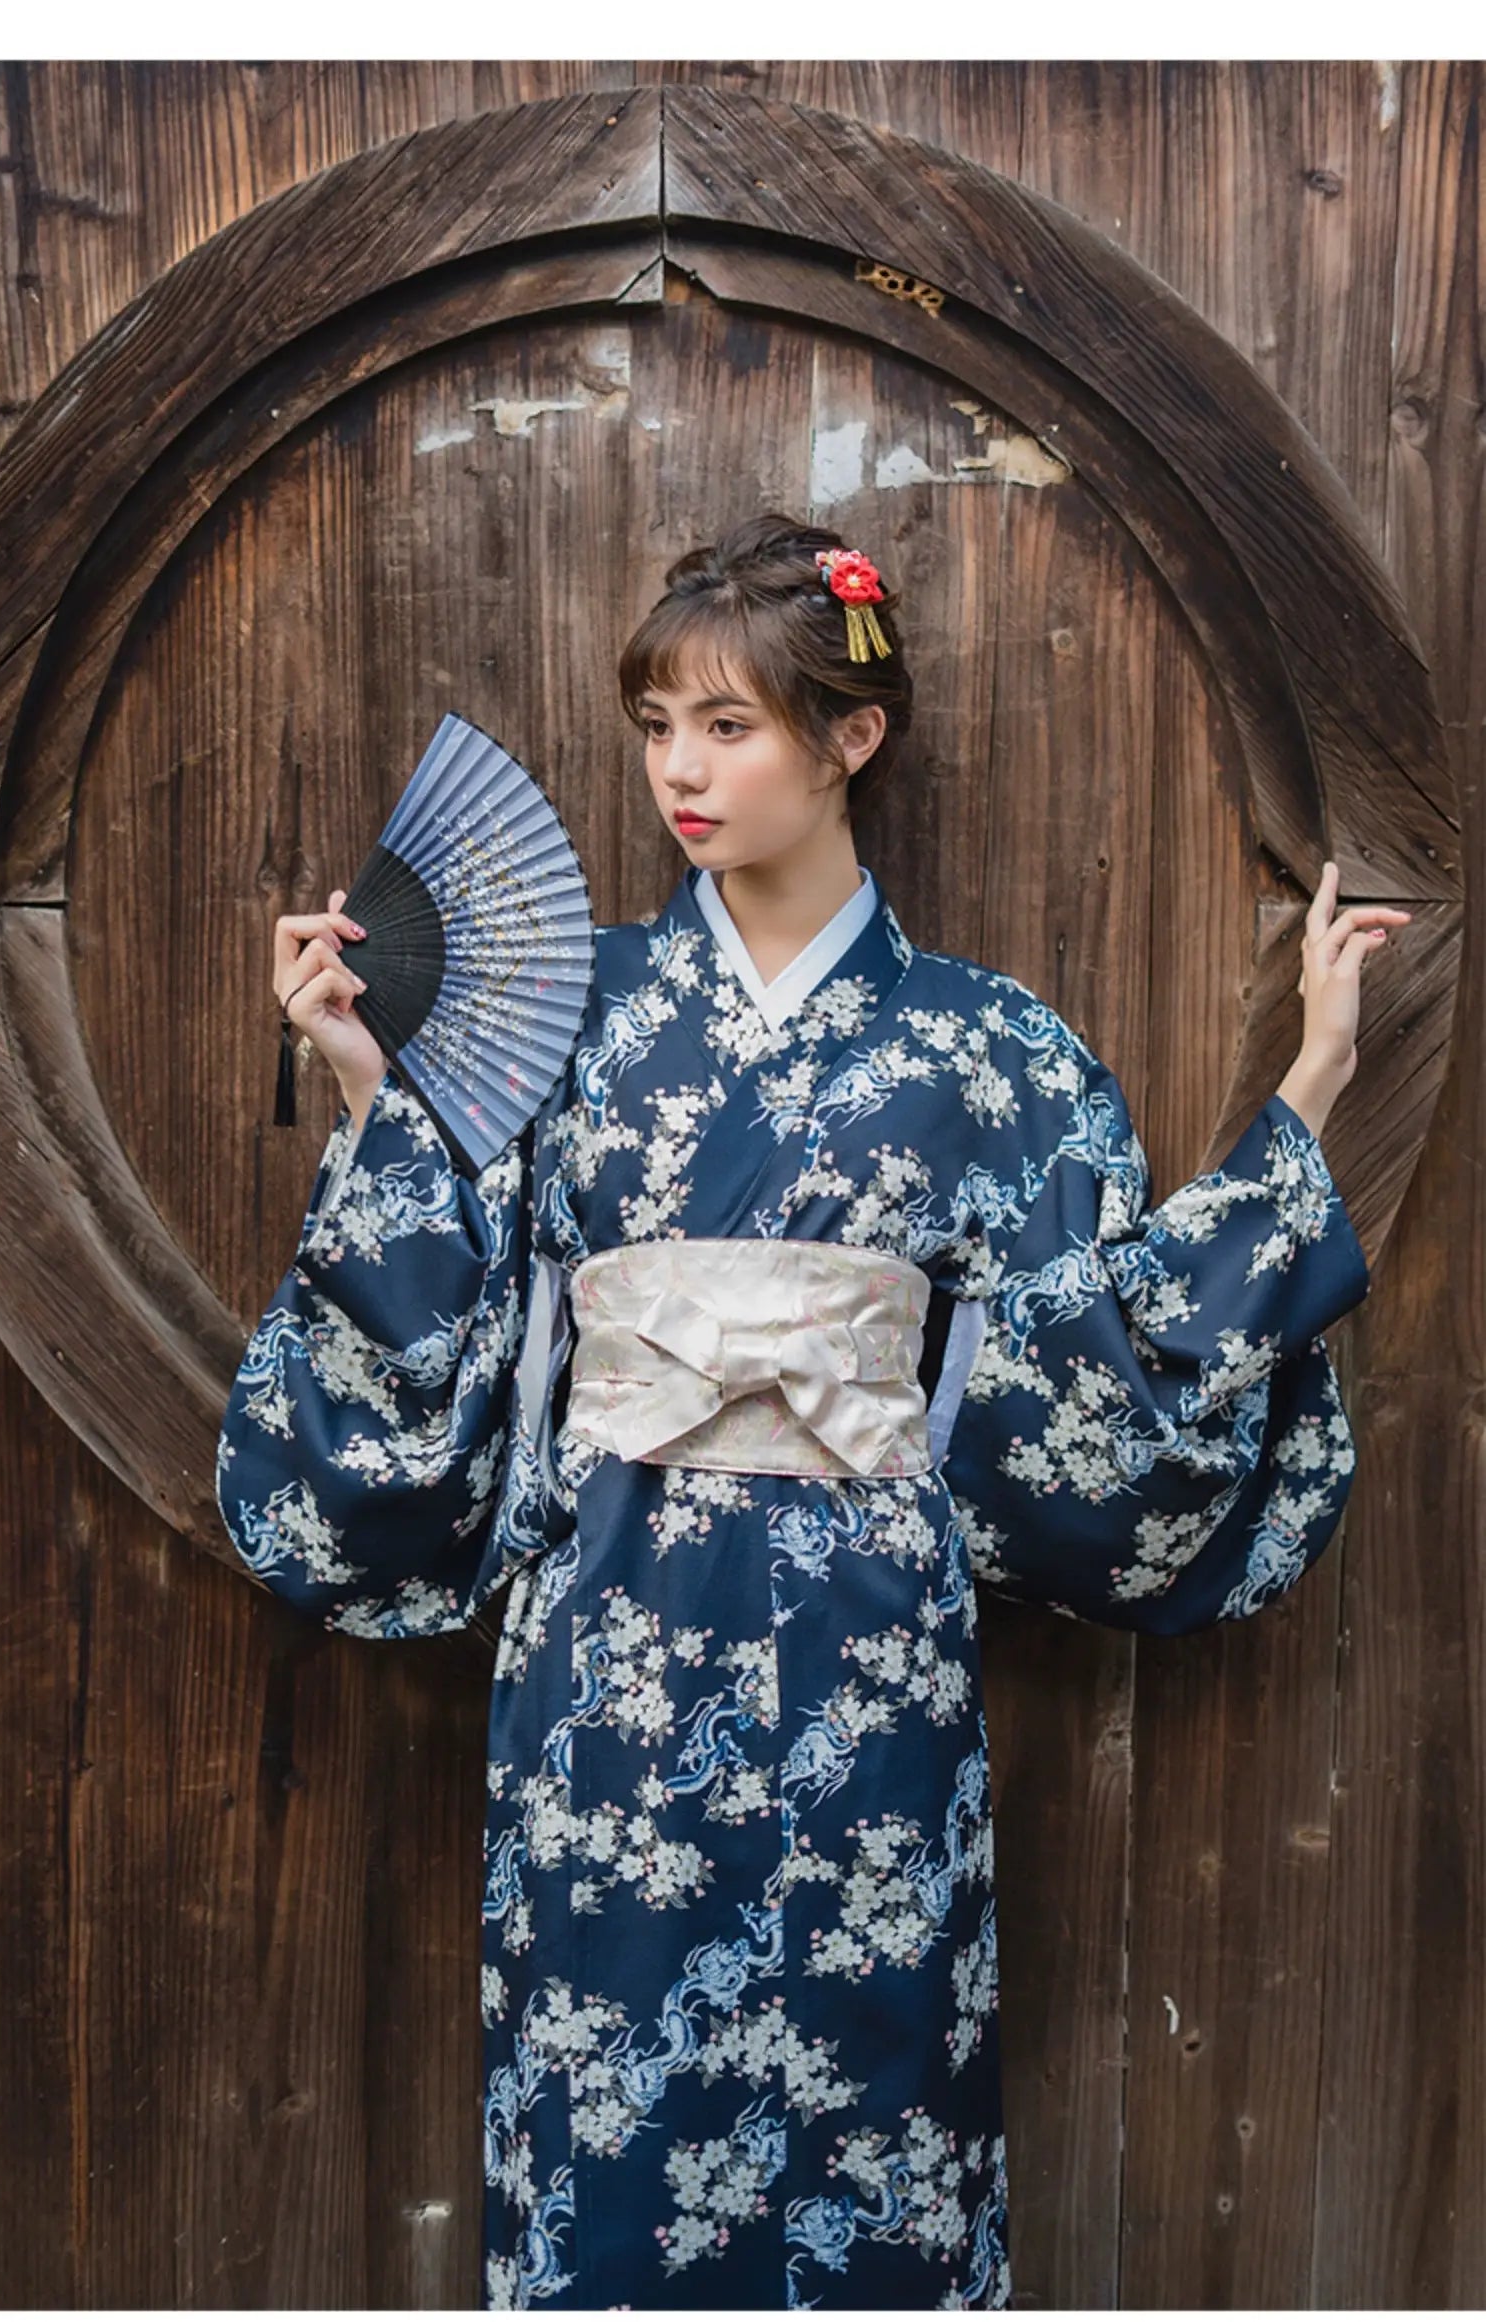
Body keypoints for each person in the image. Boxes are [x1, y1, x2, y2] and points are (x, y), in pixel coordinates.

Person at [216, 513, 1405, 2312]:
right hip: (608, 1644)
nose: (679, 772)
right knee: (601, 2086)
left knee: (877, 2073)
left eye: (730, 725)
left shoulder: (988, 1048)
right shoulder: (562, 1015)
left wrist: (1313, 1066)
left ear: (852, 737)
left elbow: (1110, 1364)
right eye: (656, 726)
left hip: (873, 1654)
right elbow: (437, 1324)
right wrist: (371, 1086)